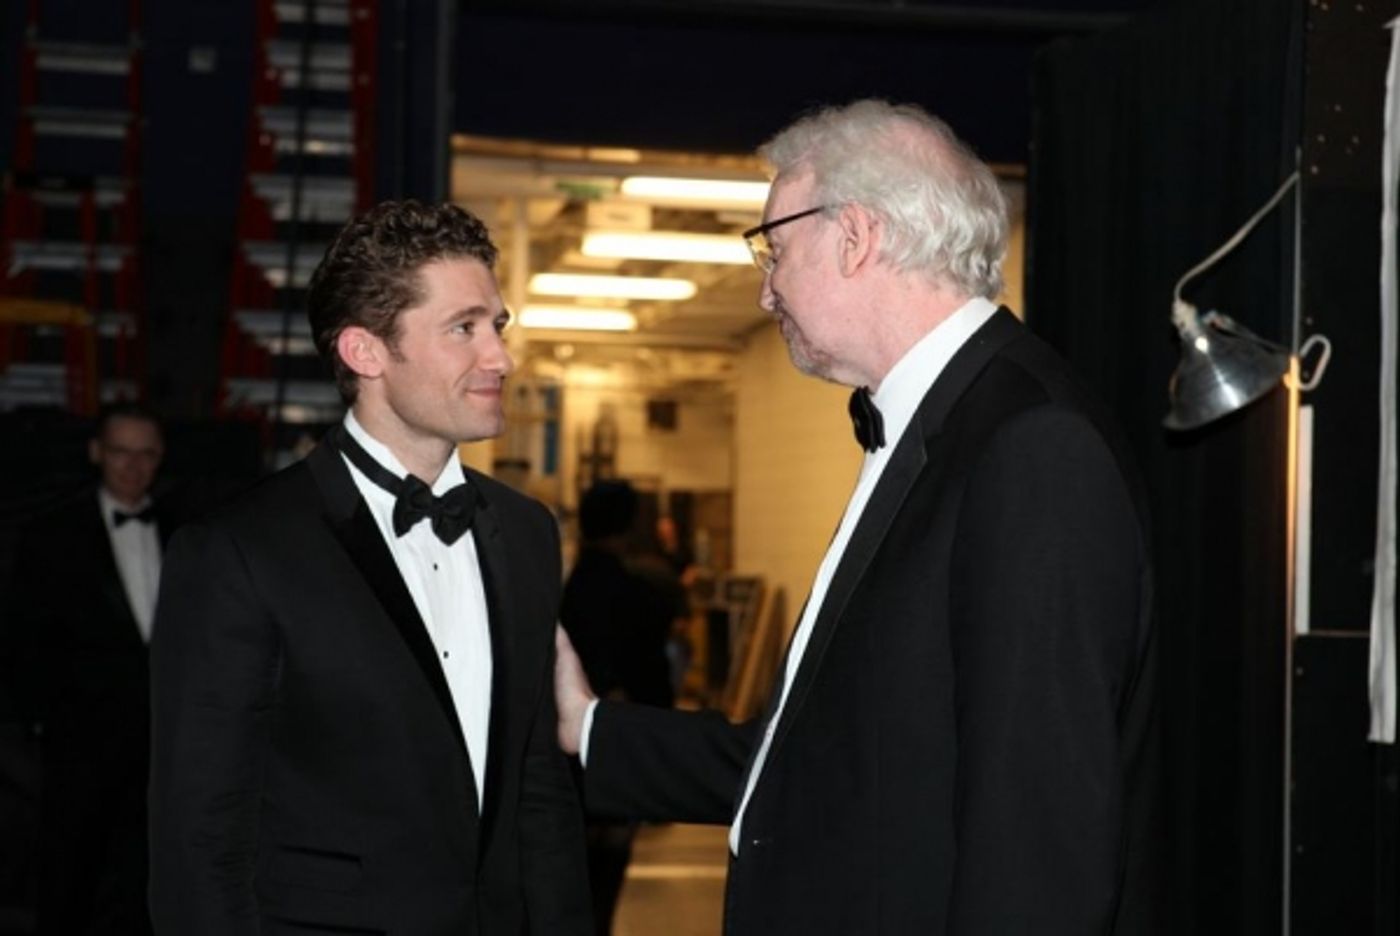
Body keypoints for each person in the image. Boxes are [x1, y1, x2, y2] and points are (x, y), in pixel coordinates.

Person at [554, 99, 1158, 935]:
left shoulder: (1030, 446)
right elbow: (813, 760)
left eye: (774, 250)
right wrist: (586, 726)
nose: (765, 290)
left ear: (855, 237)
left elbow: (1039, 832)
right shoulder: (941, 428)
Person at [149, 200, 592, 935]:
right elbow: (199, 837)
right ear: (366, 353)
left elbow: (537, 791)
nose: (501, 358)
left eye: (498, 326)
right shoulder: (240, 551)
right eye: (464, 328)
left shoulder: (525, 532)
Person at [10, 402, 167, 935]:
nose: (133, 466)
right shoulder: (52, 536)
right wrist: (40, 726)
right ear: (97, 453)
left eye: (145, 454)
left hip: (164, 748)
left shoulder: (188, 531)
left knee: (146, 880)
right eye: (121, 452)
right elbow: (26, 637)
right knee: (68, 879)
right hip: (81, 744)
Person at [560, 480, 676, 935]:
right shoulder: (630, 589)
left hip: (573, 744)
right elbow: (648, 670)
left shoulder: (572, 586)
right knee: (606, 866)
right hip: (616, 737)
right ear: (628, 526)